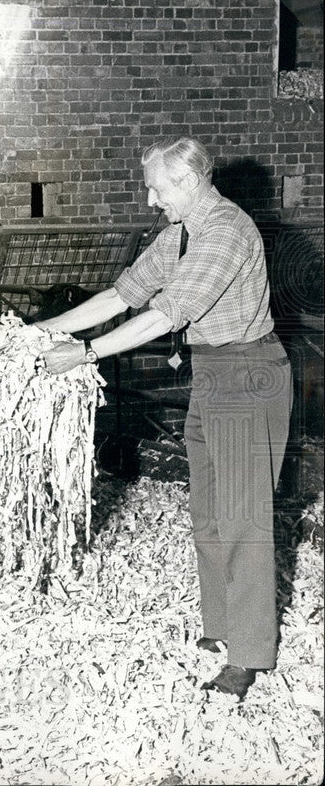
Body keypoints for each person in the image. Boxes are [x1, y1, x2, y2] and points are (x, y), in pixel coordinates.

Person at [37, 136, 292, 701]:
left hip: (250, 375)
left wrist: (85, 354)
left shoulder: (225, 230)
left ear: (188, 181)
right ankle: (218, 626)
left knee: (244, 517)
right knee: (207, 509)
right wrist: (39, 333)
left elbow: (163, 315)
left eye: (156, 187)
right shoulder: (180, 234)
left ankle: (249, 655)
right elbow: (121, 295)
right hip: (212, 372)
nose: (151, 200)